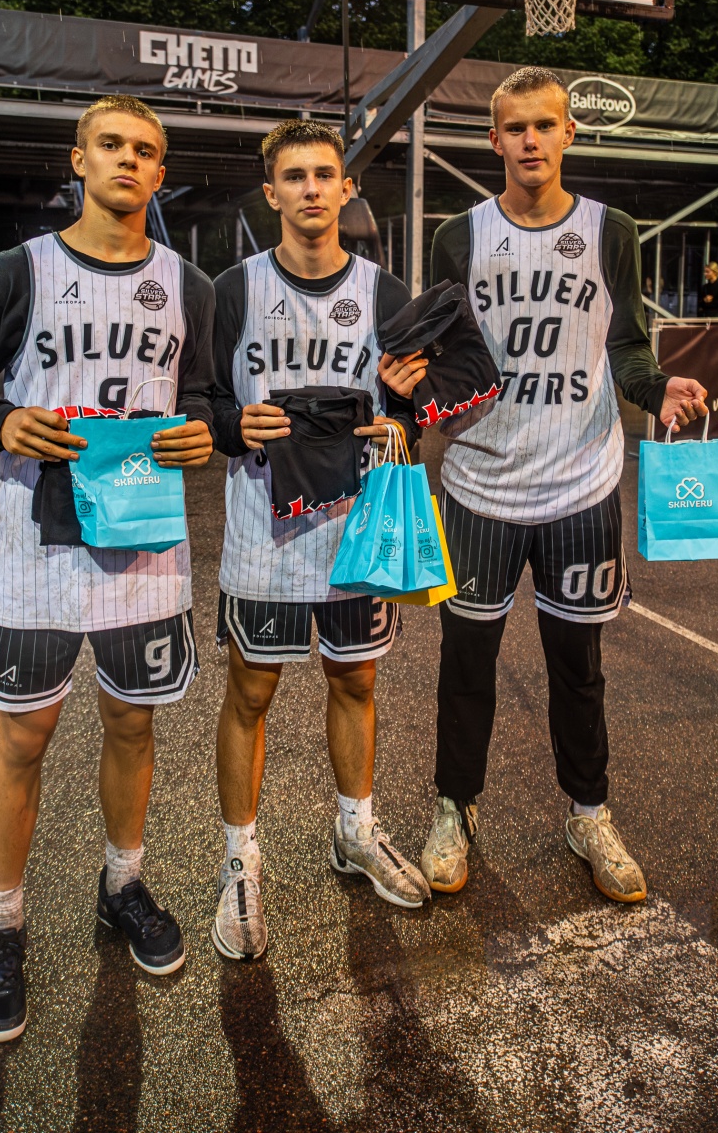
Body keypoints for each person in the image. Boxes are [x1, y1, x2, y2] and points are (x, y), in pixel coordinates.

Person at [0, 95, 215, 1041]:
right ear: (79, 160)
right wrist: (4, 419)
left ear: (160, 173)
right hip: (39, 550)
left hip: (145, 548)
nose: (128, 160)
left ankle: (121, 883)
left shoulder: (188, 284)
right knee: (24, 737)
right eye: (111, 145)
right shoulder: (21, 271)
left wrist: (202, 434)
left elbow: (204, 400)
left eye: (146, 150)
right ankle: (0, 926)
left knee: (132, 723)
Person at [418, 67, 708, 904]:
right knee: (465, 661)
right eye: (515, 127)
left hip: (580, 483)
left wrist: (657, 389)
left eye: (545, 125)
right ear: (494, 140)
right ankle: (454, 808)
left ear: (568, 133)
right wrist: (418, 396)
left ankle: (588, 813)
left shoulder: (610, 229)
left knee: (577, 665)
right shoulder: (458, 235)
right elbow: (444, 352)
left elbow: (625, 345)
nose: (530, 140)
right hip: (478, 482)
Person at [210, 118, 430, 961]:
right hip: (262, 531)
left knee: (357, 680)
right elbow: (200, 397)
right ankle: (240, 861)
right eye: (294, 176)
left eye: (324, 174)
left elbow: (412, 401)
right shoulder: (232, 288)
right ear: (271, 192)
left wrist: (401, 418)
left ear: (346, 188)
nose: (310, 188)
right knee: (250, 693)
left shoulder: (385, 291)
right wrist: (232, 425)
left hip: (354, 527)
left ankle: (355, 831)